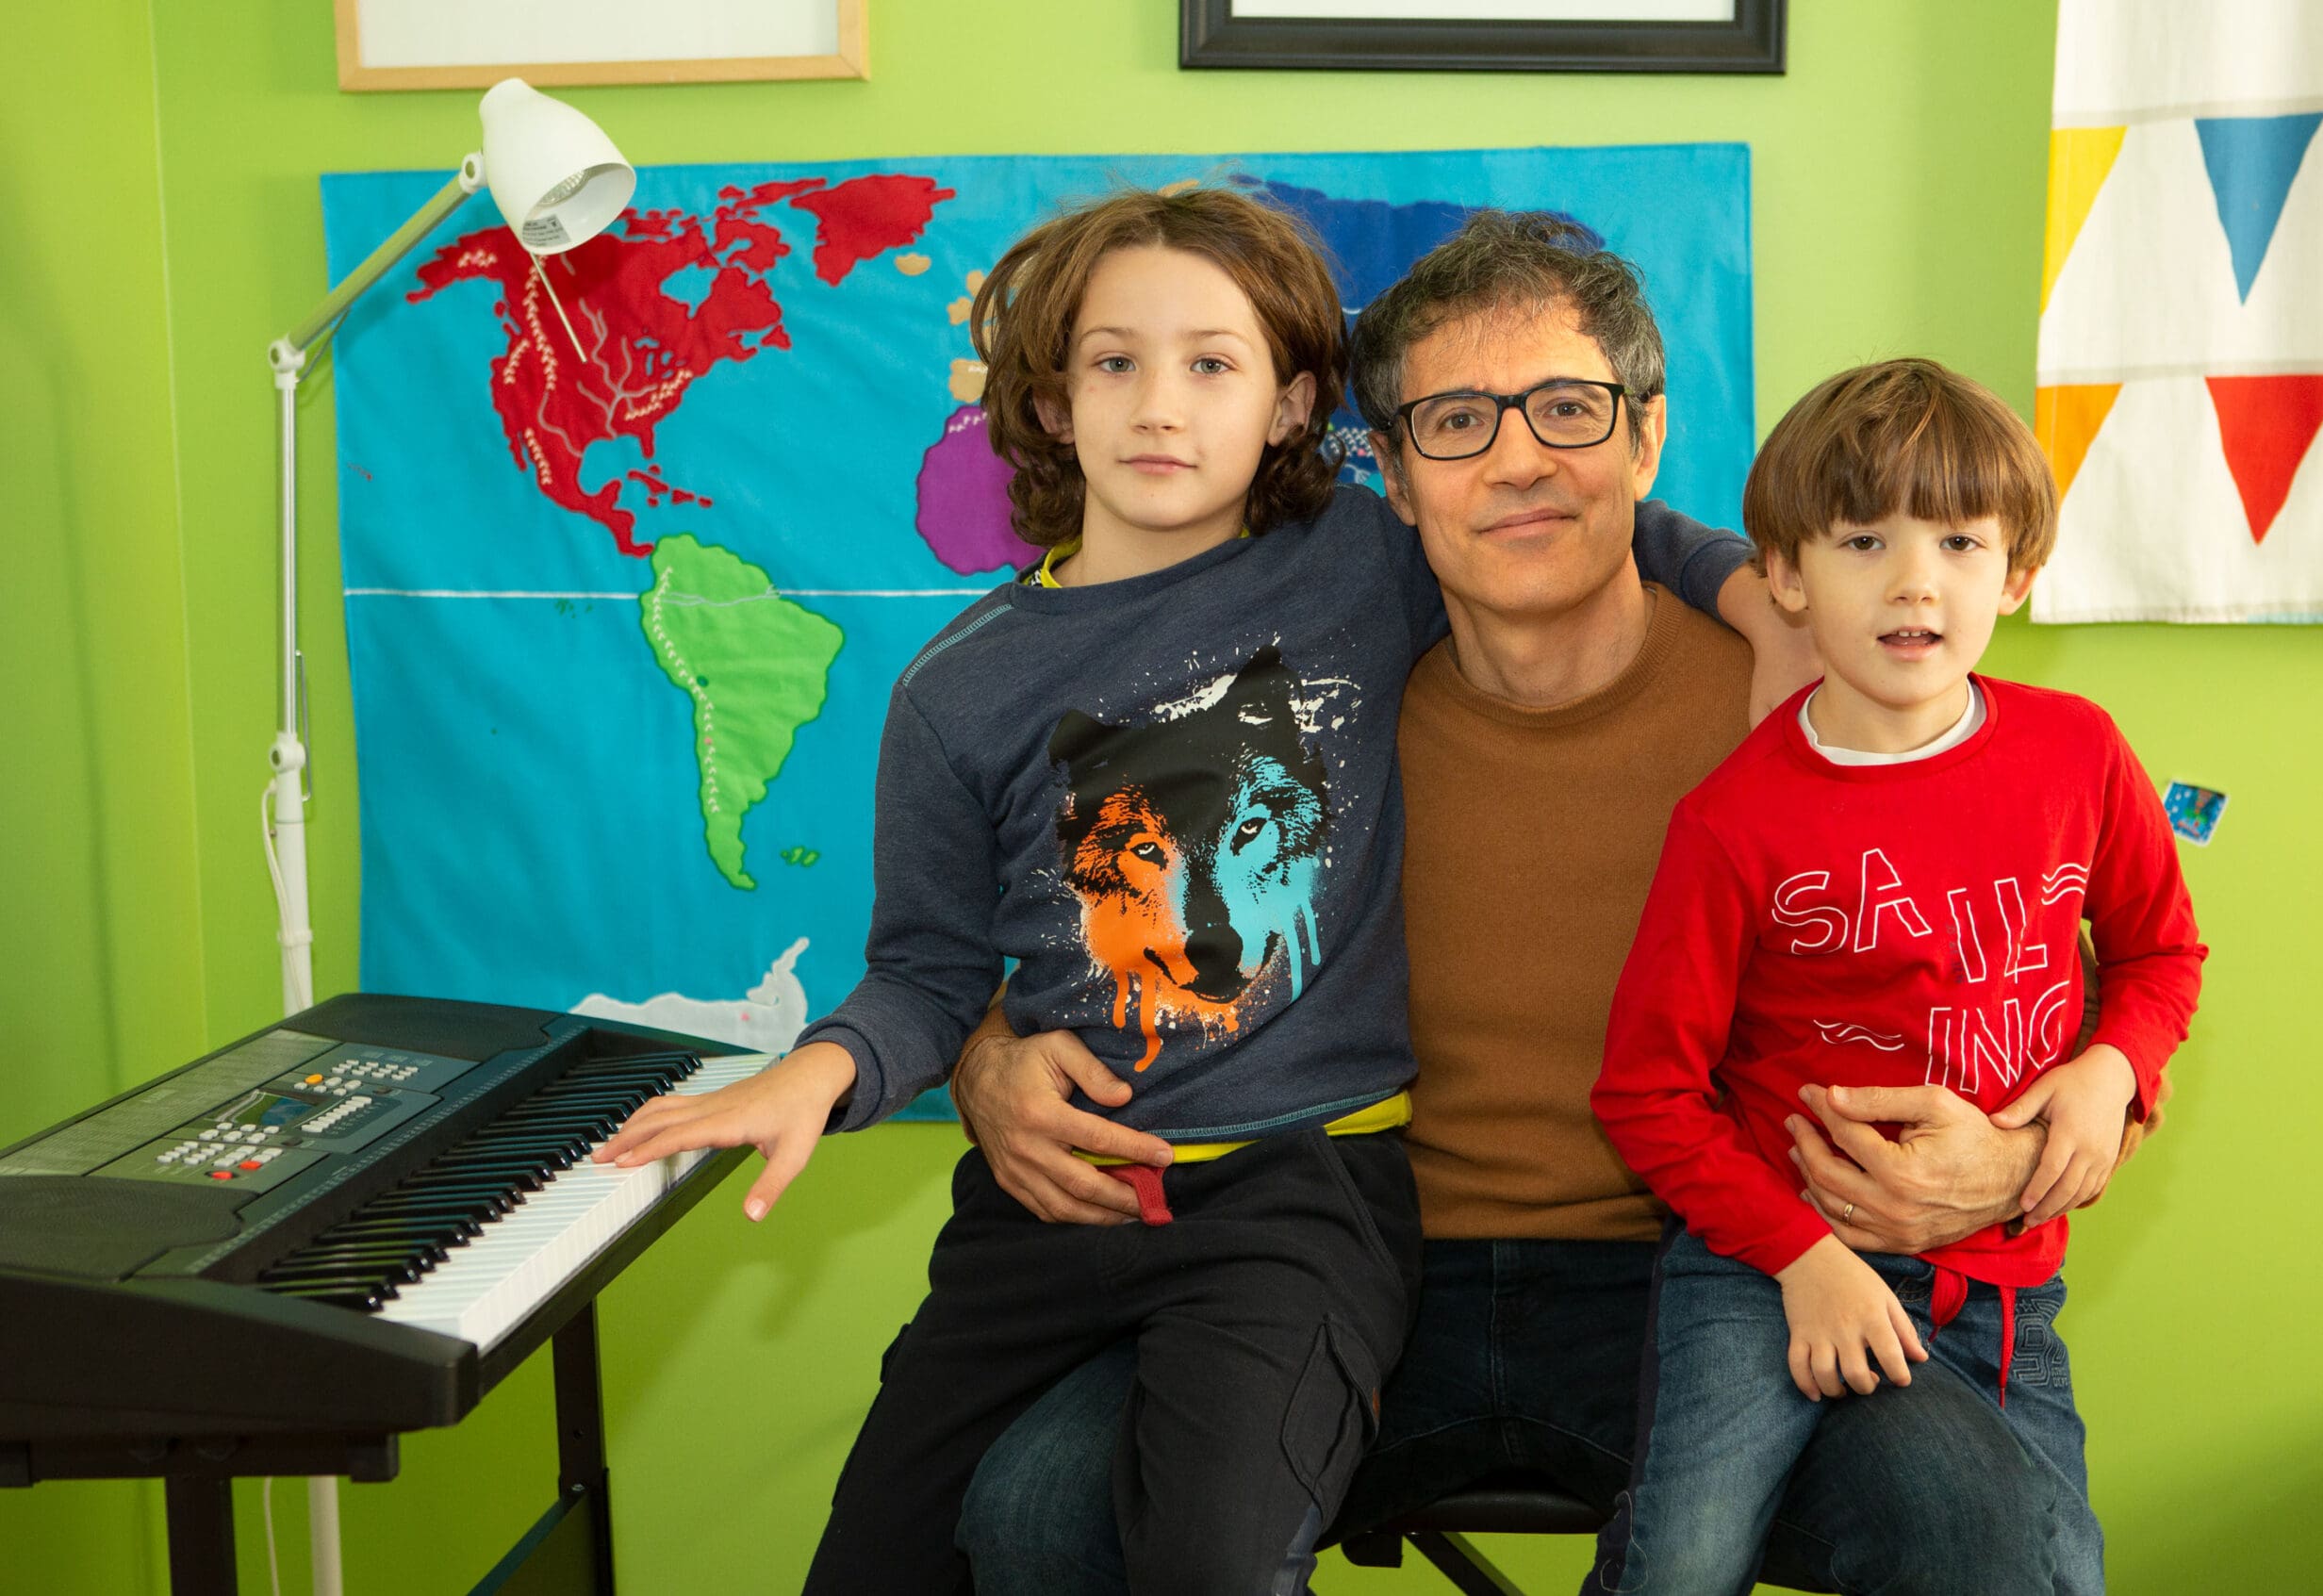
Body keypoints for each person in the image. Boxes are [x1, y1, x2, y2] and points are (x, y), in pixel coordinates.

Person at [953, 220, 2156, 1595]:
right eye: (1456, 421)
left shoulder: (1806, 708)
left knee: (1993, 1534)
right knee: (1040, 1503)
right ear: (1391, 479)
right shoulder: (1318, 710)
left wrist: (2039, 1144)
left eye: (1568, 410)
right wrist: (991, 1049)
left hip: (1714, 1280)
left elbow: (2045, 959)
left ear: (1646, 444)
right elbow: (1120, 938)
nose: (1519, 460)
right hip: (1355, 1275)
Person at [591, 189, 1740, 1594]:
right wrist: (821, 1070)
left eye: (1211, 364)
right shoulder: (955, 692)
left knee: (1211, 1559)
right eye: (1112, 361)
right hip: (1048, 1210)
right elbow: (928, 973)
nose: (1157, 404)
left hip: (1297, 1197)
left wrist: (1758, 594)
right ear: (1052, 400)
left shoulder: (1363, 567)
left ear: (1291, 405)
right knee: (879, 1562)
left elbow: (1592, 513)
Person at [1590, 358, 2207, 1596]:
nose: (1915, 578)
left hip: (2002, 1287)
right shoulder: (1734, 822)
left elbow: (2159, 953)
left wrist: (2110, 1069)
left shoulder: (2077, 753)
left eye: (1962, 542)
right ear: (1787, 573)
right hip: (1765, 1269)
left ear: (2018, 574)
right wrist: (1804, 1255)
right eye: (1864, 538)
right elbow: (1644, 1094)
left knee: (2059, 1571)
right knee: (1682, 1561)